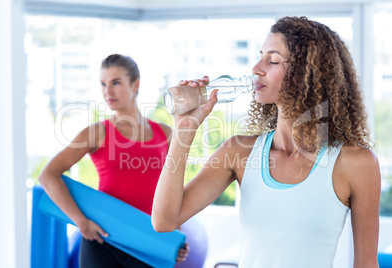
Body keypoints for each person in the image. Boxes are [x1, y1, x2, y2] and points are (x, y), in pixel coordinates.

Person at [152, 16, 381, 268]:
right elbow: (164, 221)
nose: (256, 68)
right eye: (260, 56)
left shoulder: (355, 163)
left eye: (272, 60)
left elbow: (367, 264)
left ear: (306, 72)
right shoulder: (240, 151)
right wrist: (184, 130)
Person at [39, 54, 189, 268]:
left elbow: (173, 191)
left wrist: (177, 234)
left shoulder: (165, 134)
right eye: (103, 84)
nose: (107, 91)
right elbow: (48, 175)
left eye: (116, 82)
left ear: (135, 84)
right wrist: (81, 222)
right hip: (102, 240)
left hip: (149, 241)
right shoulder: (97, 133)